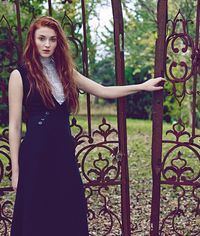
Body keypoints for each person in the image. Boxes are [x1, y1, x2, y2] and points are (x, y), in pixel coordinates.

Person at [8, 16, 165, 236]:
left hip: (63, 153)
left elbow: (103, 90)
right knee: (36, 215)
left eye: (52, 40)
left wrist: (142, 86)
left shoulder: (65, 72)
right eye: (41, 38)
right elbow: (14, 127)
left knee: (67, 210)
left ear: (58, 42)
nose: (46, 44)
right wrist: (16, 171)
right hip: (35, 155)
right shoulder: (20, 75)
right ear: (32, 40)